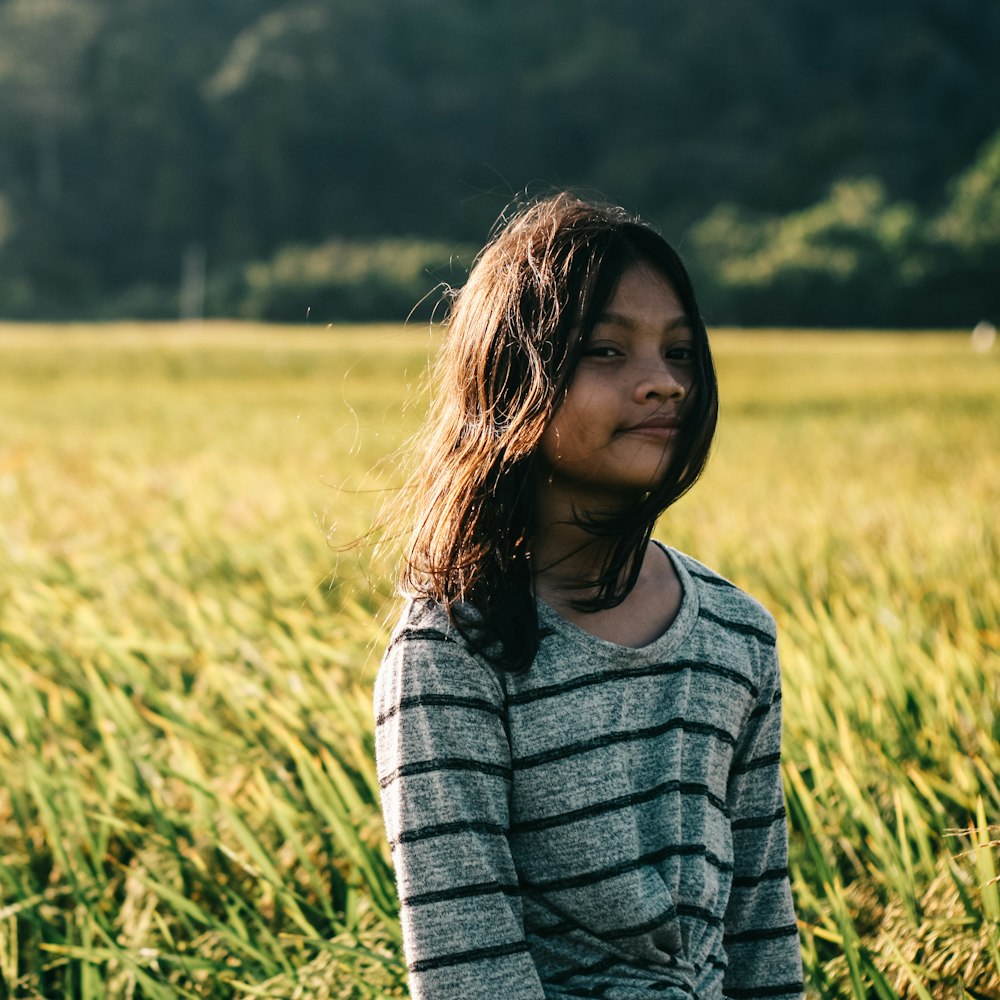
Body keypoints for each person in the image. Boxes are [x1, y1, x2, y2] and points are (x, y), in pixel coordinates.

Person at [374, 193, 803, 999]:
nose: (663, 385)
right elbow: (470, 966)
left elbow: (761, 928)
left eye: (680, 353)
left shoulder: (737, 635)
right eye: (606, 352)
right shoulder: (455, 648)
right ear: (510, 383)